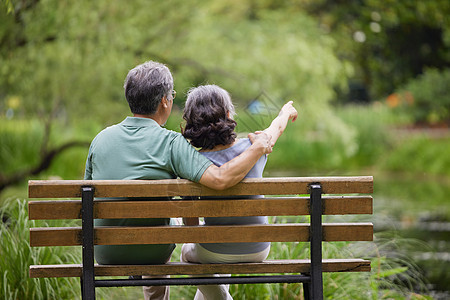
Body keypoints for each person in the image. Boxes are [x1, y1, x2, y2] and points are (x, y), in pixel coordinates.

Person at [83, 61, 273, 300]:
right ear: (165, 100)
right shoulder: (171, 142)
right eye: (172, 95)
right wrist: (258, 149)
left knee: (155, 221)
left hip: (104, 251)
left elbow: (87, 198)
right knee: (159, 228)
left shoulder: (100, 140)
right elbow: (219, 178)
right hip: (153, 251)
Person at [180, 84, 298, 300]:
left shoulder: (193, 162)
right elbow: (277, 128)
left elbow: (192, 226)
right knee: (216, 262)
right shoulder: (255, 147)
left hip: (214, 252)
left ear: (192, 122)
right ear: (227, 114)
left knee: (188, 254)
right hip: (259, 249)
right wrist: (286, 112)